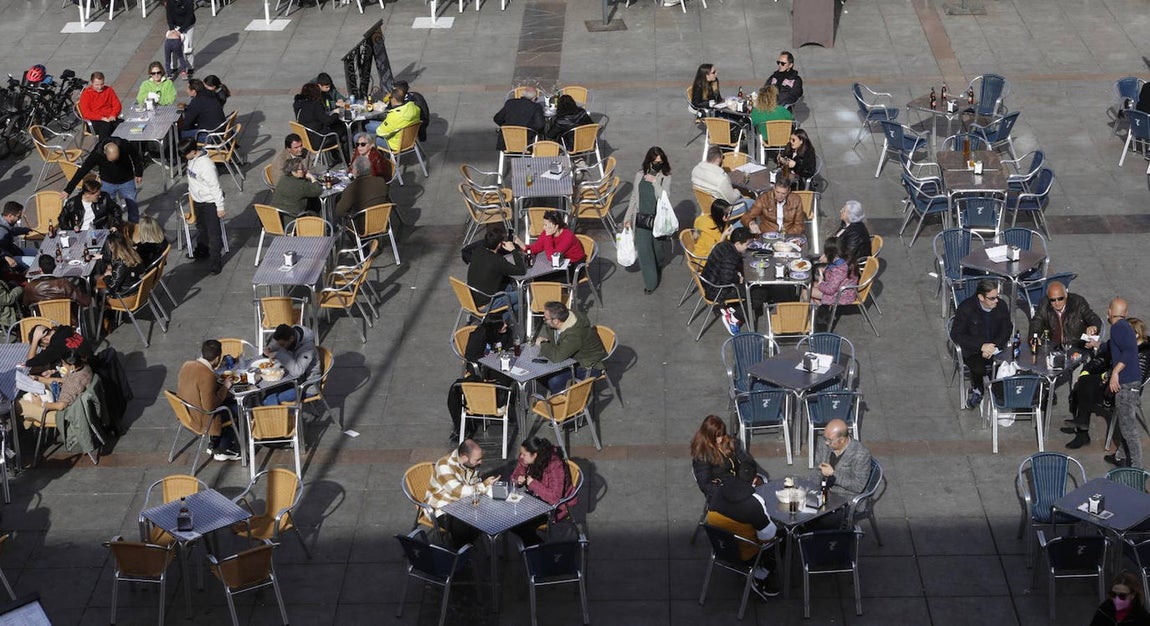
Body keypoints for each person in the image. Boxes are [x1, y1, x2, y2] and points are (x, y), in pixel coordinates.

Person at [1064, 318, 1150, 450]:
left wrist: (1107, 376)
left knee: (1085, 386)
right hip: (1110, 380)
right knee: (1083, 381)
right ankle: (1082, 428)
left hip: (1124, 389)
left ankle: (1083, 430)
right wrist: (1087, 371)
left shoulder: (1143, 352)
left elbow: (1133, 377)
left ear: (1136, 335)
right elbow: (1104, 354)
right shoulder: (1124, 343)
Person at [706, 463, 780, 600]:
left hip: (721, 546)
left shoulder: (718, 491)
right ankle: (760, 576)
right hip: (745, 555)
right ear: (754, 480)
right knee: (781, 538)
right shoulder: (754, 503)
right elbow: (767, 537)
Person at [950, 279, 1013, 409]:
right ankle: (979, 389)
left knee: (1010, 366)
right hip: (973, 350)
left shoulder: (1001, 306)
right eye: (992, 298)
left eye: (997, 296)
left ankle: (1001, 393)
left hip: (996, 347)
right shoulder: (966, 308)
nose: (996, 300)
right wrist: (981, 346)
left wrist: (994, 346)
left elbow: (1007, 328)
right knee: (979, 369)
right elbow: (956, 334)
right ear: (981, 297)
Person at [425, 439, 498, 547]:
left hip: (463, 503)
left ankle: (472, 547)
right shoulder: (444, 466)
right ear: (464, 457)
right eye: (477, 459)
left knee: (487, 516)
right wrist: (484, 485)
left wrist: (486, 487)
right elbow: (458, 491)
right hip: (441, 507)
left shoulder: (470, 464)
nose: (480, 462)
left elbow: (474, 484)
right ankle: (460, 556)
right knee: (462, 528)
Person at [177, 340, 242, 461]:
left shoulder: (187, 364)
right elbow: (210, 406)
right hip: (202, 418)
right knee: (237, 409)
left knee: (228, 403)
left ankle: (214, 442)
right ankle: (223, 448)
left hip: (186, 412)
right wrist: (226, 386)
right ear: (218, 358)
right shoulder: (207, 375)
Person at [1098, 298, 1144, 468]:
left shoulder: (1118, 327)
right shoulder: (1124, 328)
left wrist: (1115, 373)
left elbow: (1130, 351)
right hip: (1132, 385)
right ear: (1125, 313)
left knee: (1129, 431)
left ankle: (1137, 470)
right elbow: (1114, 346)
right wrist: (1097, 345)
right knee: (1125, 425)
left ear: (1110, 311)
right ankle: (1120, 456)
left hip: (1126, 386)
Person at [508, 437, 578, 546]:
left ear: (535, 454)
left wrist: (532, 483)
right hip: (533, 500)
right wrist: (518, 480)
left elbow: (555, 498)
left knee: (521, 526)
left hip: (553, 508)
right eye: (521, 453)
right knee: (510, 521)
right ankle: (537, 549)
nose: (521, 457)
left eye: (524, 454)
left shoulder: (555, 465)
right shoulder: (526, 459)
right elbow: (514, 477)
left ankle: (541, 551)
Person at [623, 147, 672, 293]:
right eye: (655, 161)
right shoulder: (639, 175)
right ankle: (650, 283)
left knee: (657, 249)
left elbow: (664, 197)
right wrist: (627, 218)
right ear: (649, 161)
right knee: (644, 251)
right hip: (641, 218)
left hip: (658, 220)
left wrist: (655, 182)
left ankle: (658, 264)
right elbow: (633, 198)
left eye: (660, 161)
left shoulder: (665, 177)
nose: (657, 164)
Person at [64, 137, 143, 223]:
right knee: (107, 209)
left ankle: (134, 229)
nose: (114, 162)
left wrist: (139, 172)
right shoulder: (97, 154)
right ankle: (112, 228)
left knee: (133, 208)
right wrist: (68, 190)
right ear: (105, 153)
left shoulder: (124, 144)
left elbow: (136, 156)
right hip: (107, 183)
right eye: (111, 160)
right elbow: (83, 169)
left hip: (127, 181)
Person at [536, 301, 607, 393]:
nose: (544, 320)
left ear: (556, 321)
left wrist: (542, 345)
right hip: (574, 358)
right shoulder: (565, 316)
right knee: (539, 372)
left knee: (553, 381)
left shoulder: (573, 335)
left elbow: (557, 357)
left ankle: (568, 400)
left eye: (545, 318)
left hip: (589, 365)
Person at [16, 348, 93, 432]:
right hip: (74, 405)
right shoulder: (84, 368)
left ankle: (22, 431)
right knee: (36, 395)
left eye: (64, 364)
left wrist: (41, 403)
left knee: (18, 404)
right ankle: (26, 426)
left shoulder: (72, 383)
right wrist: (38, 378)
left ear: (72, 366)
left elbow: (61, 406)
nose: (62, 366)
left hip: (63, 414)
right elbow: (63, 381)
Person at [180, 138, 227, 274]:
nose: (184, 157)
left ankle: (215, 263)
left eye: (185, 154)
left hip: (210, 202)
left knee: (213, 233)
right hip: (198, 201)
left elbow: (215, 187)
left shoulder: (206, 166)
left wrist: (220, 207)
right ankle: (202, 251)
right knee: (201, 228)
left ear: (193, 152)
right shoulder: (192, 160)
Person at [690, 414, 761, 502]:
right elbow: (706, 485)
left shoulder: (729, 442)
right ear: (708, 435)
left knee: (762, 490)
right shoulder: (702, 455)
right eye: (716, 437)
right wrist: (728, 491)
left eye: (722, 435)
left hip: (738, 483)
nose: (720, 440)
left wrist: (749, 473)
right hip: (721, 492)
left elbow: (747, 460)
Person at [466, 226, 525, 325]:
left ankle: (496, 318)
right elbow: (521, 270)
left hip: (472, 298)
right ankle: (495, 322)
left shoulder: (478, 251)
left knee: (509, 287)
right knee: (522, 296)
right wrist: (513, 250)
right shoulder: (497, 260)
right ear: (500, 244)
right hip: (487, 303)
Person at [700, 228, 755, 331]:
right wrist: (738, 278)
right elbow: (726, 279)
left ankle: (732, 308)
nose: (748, 247)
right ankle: (735, 317)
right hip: (717, 291)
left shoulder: (723, 245)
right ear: (738, 243)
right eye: (747, 244)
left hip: (709, 283)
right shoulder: (731, 256)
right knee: (756, 293)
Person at [1028, 281, 1102, 350]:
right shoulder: (1044, 304)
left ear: (1066, 295)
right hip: (1055, 348)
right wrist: (1034, 337)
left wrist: (1094, 327)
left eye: (1060, 299)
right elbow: (1036, 322)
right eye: (1053, 300)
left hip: (1077, 347)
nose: (1057, 303)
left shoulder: (1078, 302)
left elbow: (1093, 317)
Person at [261, 323, 318, 405]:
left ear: (291, 339)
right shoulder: (291, 332)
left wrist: (278, 355)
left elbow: (297, 371)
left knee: (268, 401)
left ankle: (264, 414)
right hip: (291, 380)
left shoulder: (308, 348)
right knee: (267, 392)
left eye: (282, 345)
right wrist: (269, 348)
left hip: (306, 386)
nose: (280, 346)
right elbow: (278, 342)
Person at [813, 418, 873, 494]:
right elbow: (817, 468)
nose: (826, 443)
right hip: (823, 490)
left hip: (845, 496)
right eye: (825, 438)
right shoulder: (823, 442)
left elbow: (858, 486)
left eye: (830, 441)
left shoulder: (861, 454)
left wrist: (833, 474)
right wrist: (810, 487)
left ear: (842, 440)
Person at [691, 146, 754, 218]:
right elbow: (732, 200)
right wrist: (738, 191)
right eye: (723, 157)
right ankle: (735, 227)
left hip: (706, 206)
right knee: (752, 202)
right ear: (718, 159)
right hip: (722, 210)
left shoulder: (695, 170)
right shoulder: (721, 179)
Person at [293, 82, 348, 158]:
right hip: (319, 141)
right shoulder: (315, 105)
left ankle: (335, 156)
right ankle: (346, 159)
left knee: (336, 128)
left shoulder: (298, 105)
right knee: (344, 129)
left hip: (307, 139)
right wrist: (336, 113)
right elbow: (328, 121)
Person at [334, 156, 391, 220]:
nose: (352, 171)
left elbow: (339, 211)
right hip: (381, 220)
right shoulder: (381, 181)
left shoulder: (352, 188)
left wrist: (349, 215)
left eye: (353, 168)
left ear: (357, 172)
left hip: (362, 224)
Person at [22, 255, 90, 308]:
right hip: (67, 320)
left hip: (43, 322)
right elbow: (86, 302)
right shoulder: (64, 284)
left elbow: (26, 304)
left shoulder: (31, 287)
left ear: (40, 269)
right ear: (54, 267)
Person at [367, 85, 420, 153]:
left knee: (364, 136)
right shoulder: (414, 108)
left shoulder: (394, 116)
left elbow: (380, 132)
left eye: (390, 98)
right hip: (409, 140)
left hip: (394, 144)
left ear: (394, 100)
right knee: (368, 125)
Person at [809, 238, 859, 307]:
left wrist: (820, 283)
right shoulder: (847, 258)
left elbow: (830, 290)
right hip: (845, 291)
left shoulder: (839, 269)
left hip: (841, 296)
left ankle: (819, 311)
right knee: (809, 285)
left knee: (806, 291)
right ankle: (820, 307)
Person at [77, 71, 121, 139]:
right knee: (106, 127)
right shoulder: (86, 94)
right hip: (94, 121)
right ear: (92, 83)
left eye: (102, 84)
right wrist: (101, 118)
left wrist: (113, 114)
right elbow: (86, 113)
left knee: (124, 127)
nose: (100, 87)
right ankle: (102, 146)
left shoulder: (109, 90)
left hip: (109, 118)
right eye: (97, 85)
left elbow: (117, 105)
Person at [0, 201, 38, 271]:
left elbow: (11, 231)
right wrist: (5, 256)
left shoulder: (4, 221)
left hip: (14, 251)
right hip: (8, 260)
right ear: (10, 215)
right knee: (36, 262)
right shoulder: (2, 231)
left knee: (38, 252)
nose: (20, 218)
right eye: (18, 216)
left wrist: (23, 230)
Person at [165, 0, 196, 77]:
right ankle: (174, 67)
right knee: (173, 47)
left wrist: (180, 31)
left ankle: (190, 67)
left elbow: (189, 17)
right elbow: (169, 16)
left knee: (188, 48)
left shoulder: (188, 2)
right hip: (175, 26)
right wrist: (172, 29)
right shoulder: (170, 2)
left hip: (188, 27)